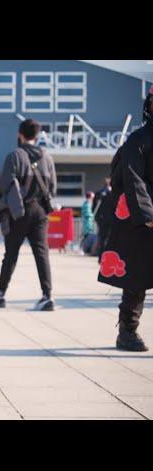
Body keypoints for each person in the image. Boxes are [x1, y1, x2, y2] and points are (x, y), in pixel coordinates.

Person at [98, 89, 153, 352]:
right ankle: (127, 331)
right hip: (141, 221)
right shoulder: (138, 140)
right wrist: (147, 216)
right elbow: (133, 180)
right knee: (136, 278)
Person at [0, 119, 57, 311]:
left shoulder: (15, 155)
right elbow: (53, 187)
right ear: (37, 135)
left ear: (20, 135)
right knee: (42, 254)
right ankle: (47, 296)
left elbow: (6, 184)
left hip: (19, 212)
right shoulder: (47, 157)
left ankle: (0, 293)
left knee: (11, 254)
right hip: (41, 211)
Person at [93, 176, 113, 257]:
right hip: (107, 219)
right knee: (106, 238)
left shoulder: (99, 193)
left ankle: (102, 255)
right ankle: (104, 255)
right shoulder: (107, 193)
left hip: (104, 218)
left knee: (103, 237)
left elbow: (94, 208)